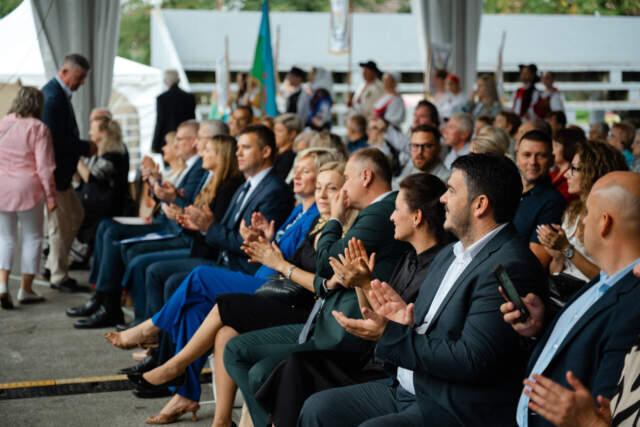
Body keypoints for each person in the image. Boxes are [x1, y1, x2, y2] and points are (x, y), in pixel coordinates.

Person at [300, 153, 547, 427]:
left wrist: (390, 334)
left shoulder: (509, 264)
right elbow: (421, 329)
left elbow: (472, 359)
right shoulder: (450, 254)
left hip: (451, 405)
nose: (443, 199)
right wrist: (398, 319)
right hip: (408, 386)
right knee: (317, 408)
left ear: (479, 205)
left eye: (451, 191)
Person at [121, 160, 345, 425]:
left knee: (203, 282)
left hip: (293, 300)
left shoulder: (330, 224)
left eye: (330, 187)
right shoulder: (312, 217)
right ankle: (211, 412)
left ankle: (165, 348)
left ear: (346, 192)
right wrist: (265, 240)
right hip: (276, 286)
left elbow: (314, 278)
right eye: (319, 186)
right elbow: (286, 257)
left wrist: (276, 260)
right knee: (211, 321)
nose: (321, 193)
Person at [224, 148, 411, 427]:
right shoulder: (364, 214)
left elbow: (325, 262)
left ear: (365, 176)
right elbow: (323, 271)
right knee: (233, 345)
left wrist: (334, 219)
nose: (336, 192)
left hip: (341, 329)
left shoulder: (378, 212)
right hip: (322, 315)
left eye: (342, 181)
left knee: (257, 366)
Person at [258, 173, 450, 427]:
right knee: (294, 367)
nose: (391, 217)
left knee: (298, 371)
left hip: (389, 371)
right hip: (375, 360)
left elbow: (399, 328)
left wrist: (365, 284)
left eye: (396, 210)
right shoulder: (410, 257)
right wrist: (360, 282)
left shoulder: (439, 266)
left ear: (416, 217)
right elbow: (372, 313)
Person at [502, 171, 640, 427]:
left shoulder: (634, 302)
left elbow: (605, 409)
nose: (583, 222)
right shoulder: (606, 278)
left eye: (587, 213)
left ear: (605, 223)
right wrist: (539, 326)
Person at [68, 120, 207, 328]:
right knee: (106, 226)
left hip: (174, 230)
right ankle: (102, 298)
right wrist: (156, 185)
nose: (174, 145)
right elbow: (175, 199)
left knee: (119, 240)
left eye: (179, 139)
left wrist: (166, 193)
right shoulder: (194, 167)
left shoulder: (199, 168)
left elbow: (185, 204)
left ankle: (112, 305)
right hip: (169, 223)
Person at [121, 132, 244, 325]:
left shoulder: (228, 186)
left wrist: (184, 213)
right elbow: (199, 220)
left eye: (208, 151)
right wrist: (181, 212)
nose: (202, 154)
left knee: (151, 268)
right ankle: (145, 324)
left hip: (206, 250)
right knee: (142, 260)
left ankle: (152, 330)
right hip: (197, 243)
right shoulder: (213, 180)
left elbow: (211, 227)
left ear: (221, 156)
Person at [537, 140, 627, 301]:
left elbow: (611, 279)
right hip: (561, 295)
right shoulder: (573, 210)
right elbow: (555, 271)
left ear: (593, 172)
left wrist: (566, 249)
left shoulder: (610, 218)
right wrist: (557, 256)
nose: (566, 174)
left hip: (591, 299)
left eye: (574, 169)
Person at [40, 53, 97, 293]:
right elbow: (57, 139)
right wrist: (85, 147)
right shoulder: (53, 97)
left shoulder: (57, 93)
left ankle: (53, 264)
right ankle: (58, 275)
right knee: (59, 225)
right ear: (64, 72)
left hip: (62, 173)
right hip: (55, 174)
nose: (82, 83)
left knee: (74, 216)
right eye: (79, 77)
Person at [0, 87, 56, 308]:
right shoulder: (39, 128)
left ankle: (2, 286)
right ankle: (26, 289)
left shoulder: (3, 123)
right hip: (28, 188)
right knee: (32, 237)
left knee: (6, 238)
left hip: (2, 186)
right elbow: (44, 167)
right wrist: (51, 196)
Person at [72, 116, 129, 267]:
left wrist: (74, 158)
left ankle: (77, 257)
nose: (90, 133)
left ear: (103, 132)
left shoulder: (114, 156)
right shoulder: (102, 154)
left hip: (105, 208)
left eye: (93, 129)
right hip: (94, 204)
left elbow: (91, 177)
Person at [513, 130, 567, 269]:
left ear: (552, 160)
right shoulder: (506, 189)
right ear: (517, 157)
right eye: (527, 155)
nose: (533, 162)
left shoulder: (554, 202)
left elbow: (536, 264)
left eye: (541, 156)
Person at [385, 99, 440, 168]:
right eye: (415, 115)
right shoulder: (410, 133)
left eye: (422, 116)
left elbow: (403, 144)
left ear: (433, 121)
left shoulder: (438, 142)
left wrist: (385, 126)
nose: (416, 120)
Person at [151, 70, 196, 153]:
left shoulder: (162, 98)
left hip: (168, 140)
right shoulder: (189, 97)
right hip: (186, 138)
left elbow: (160, 122)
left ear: (165, 81)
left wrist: (154, 145)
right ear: (179, 80)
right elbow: (192, 121)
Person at [549, 127, 584, 202]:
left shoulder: (573, 177)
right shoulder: (552, 174)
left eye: (556, 146)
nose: (551, 150)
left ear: (567, 148)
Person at [273, 113, 303, 180]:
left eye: (279, 131)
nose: (274, 134)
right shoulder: (273, 151)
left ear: (292, 134)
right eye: (274, 130)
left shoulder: (291, 158)